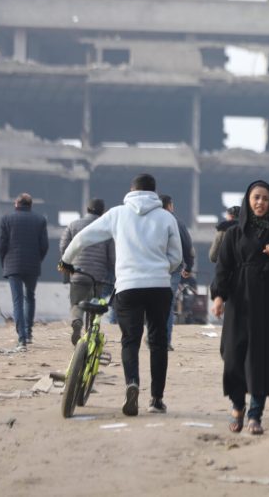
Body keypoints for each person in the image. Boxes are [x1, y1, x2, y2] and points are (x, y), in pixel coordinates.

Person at [60, 173, 182, 416]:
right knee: (158, 343)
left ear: (131, 189)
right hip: (158, 287)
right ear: (154, 193)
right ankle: (156, 400)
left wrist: (66, 259)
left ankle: (132, 384)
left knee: (130, 340)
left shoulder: (117, 214)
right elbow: (176, 257)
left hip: (128, 287)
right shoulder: (166, 218)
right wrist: (160, 269)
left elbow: (83, 237)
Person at [210, 181, 269, 436]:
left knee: (259, 360)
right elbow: (222, 268)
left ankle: (254, 415)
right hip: (239, 301)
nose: (261, 203)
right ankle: (237, 406)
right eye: (256, 198)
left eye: (265, 199)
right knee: (233, 356)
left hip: (268, 304)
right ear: (248, 201)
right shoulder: (233, 234)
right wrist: (219, 297)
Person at [59, 198, 116, 346]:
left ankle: (77, 321)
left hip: (78, 273)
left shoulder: (73, 225)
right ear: (103, 211)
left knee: (77, 303)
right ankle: (90, 333)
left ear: (87, 209)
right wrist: (113, 272)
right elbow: (112, 256)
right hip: (98, 276)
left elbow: (64, 246)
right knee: (94, 305)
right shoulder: (107, 229)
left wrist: (69, 264)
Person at [0, 193, 49, 348]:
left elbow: (1, 245)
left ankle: (22, 337)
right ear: (30, 204)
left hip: (12, 265)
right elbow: (44, 245)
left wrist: (4, 263)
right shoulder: (40, 220)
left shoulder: (6, 219)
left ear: (16, 204)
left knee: (17, 301)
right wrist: (37, 259)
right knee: (30, 297)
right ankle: (29, 332)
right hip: (32, 265)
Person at [160, 195, 195, 351]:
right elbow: (187, 246)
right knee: (167, 303)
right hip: (173, 269)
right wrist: (188, 267)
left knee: (150, 303)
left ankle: (152, 335)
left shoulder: (149, 221)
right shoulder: (176, 222)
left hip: (152, 268)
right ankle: (164, 341)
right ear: (170, 205)